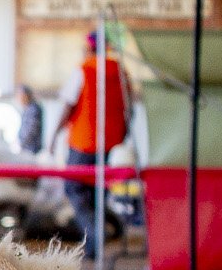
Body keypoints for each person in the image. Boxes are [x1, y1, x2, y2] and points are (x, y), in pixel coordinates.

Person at [51, 30, 134, 258]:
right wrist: (123, 134)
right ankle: (99, 238)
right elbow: (129, 106)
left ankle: (97, 233)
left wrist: (53, 136)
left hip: (83, 141)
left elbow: (68, 105)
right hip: (109, 143)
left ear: (89, 47)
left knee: (75, 189)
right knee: (97, 191)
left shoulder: (85, 69)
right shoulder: (120, 71)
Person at [15, 83, 44, 157]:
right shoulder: (27, 108)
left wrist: (21, 143)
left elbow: (31, 131)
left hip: (31, 150)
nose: (19, 99)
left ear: (26, 95)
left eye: (20, 96)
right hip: (25, 148)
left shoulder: (34, 109)